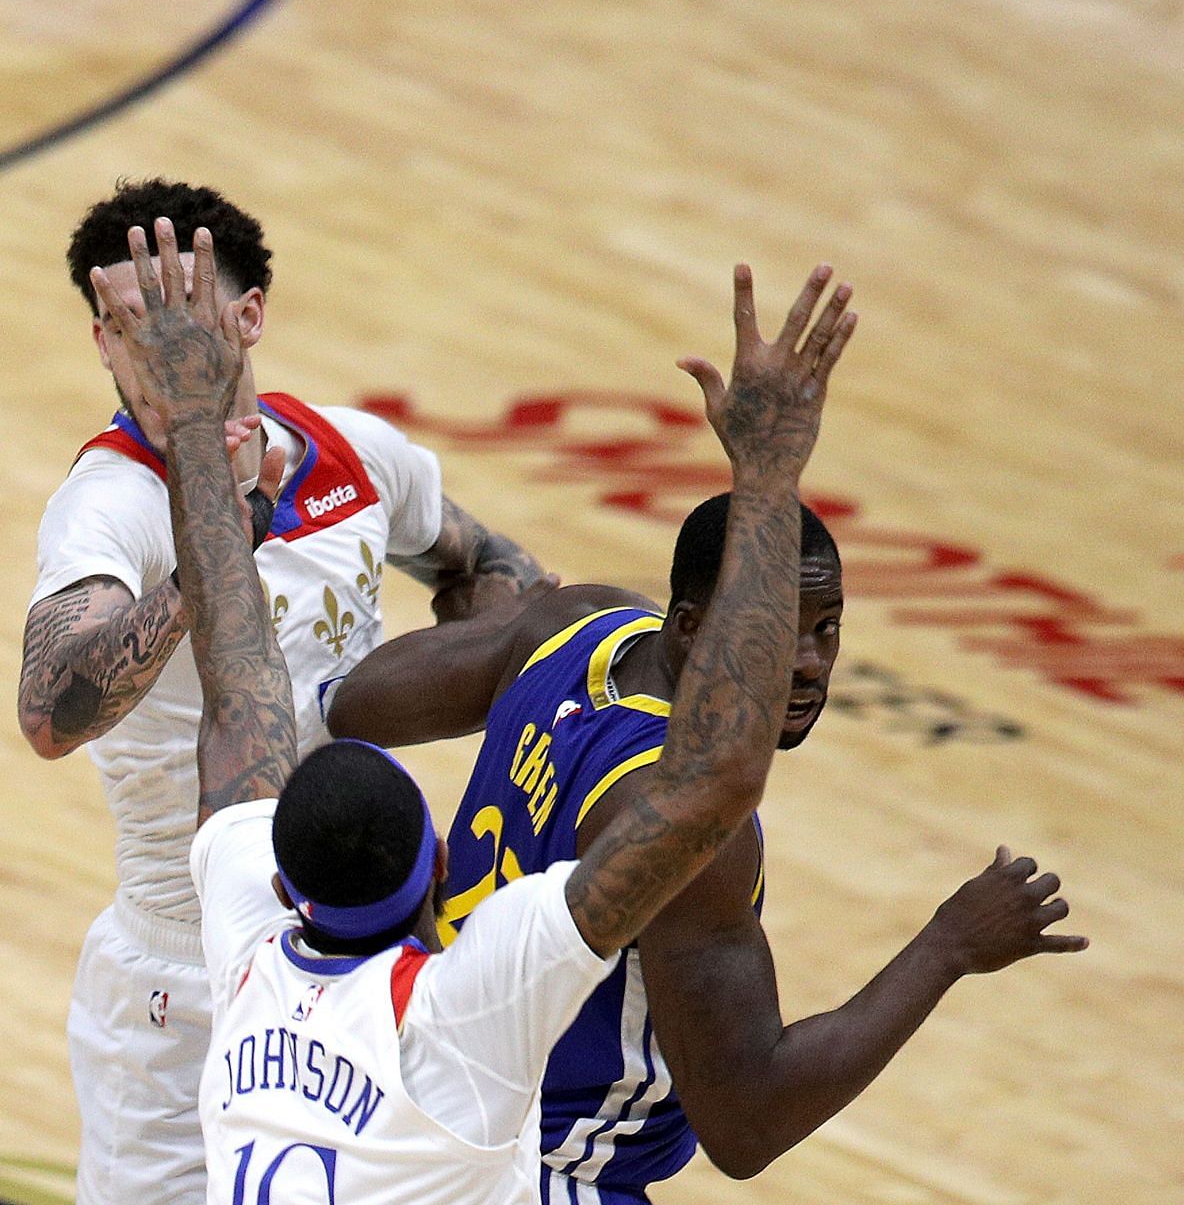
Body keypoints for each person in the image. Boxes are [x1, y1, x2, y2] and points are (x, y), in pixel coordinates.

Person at [95, 217, 870, 1202]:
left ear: (283, 883)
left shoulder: (248, 951)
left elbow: (238, 684)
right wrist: (766, 471)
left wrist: (197, 430)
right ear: (440, 872)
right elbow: (716, 777)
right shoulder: (466, 1011)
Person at [328, 283, 1087, 1201]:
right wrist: (948, 947)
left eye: (826, 630)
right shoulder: (692, 829)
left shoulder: (574, 626)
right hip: (543, 1174)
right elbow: (746, 1121)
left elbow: (356, 705)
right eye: (770, 630)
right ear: (694, 628)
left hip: (400, 1121)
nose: (803, 665)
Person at [20, 181, 545, 1203]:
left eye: (180, 319)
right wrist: (213, 544)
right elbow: (49, 710)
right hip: (181, 971)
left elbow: (508, 583)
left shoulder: (356, 452)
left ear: (249, 314)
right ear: (99, 337)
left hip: (368, 949)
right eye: (128, 326)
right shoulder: (111, 499)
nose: (153, 352)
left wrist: (397, 696)